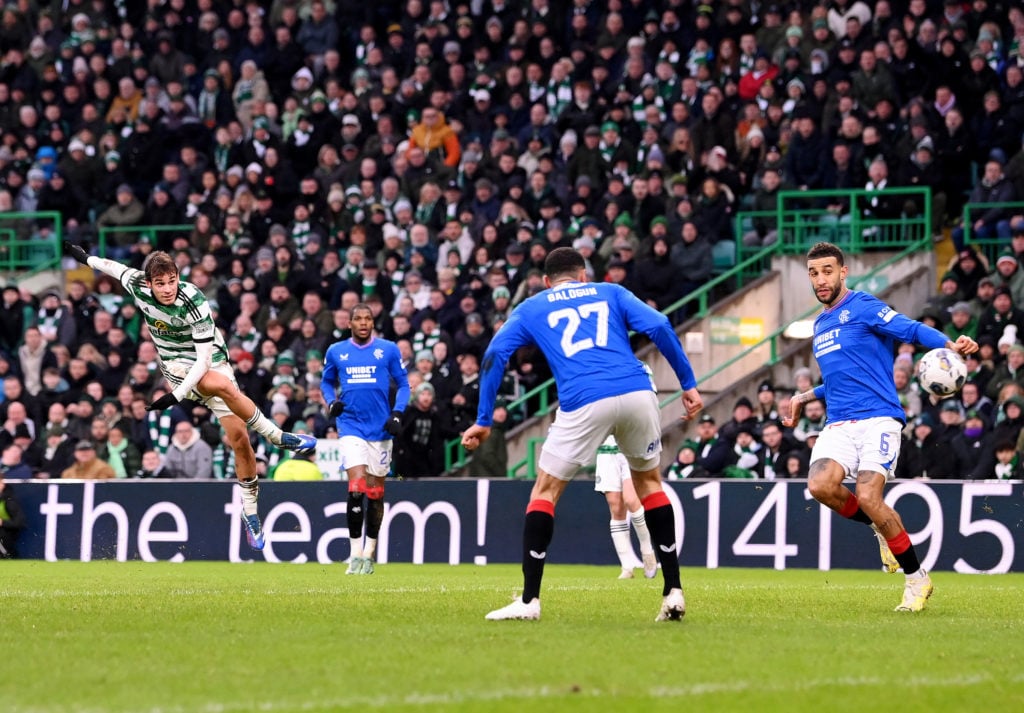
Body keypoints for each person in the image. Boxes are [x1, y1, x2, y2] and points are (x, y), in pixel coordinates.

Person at [462, 247, 703, 622]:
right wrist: (687, 383)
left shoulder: (532, 306)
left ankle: (529, 601)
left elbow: (495, 354)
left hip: (584, 397)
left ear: (546, 281)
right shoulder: (611, 291)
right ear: (584, 275)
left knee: (544, 492)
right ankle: (673, 591)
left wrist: (484, 418)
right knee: (650, 484)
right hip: (637, 390)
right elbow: (659, 325)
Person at [64, 241, 317, 551]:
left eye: (171, 281)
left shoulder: (194, 299)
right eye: (160, 283)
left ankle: (251, 514)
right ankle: (279, 437)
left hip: (208, 360)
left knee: (240, 440)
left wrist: (177, 396)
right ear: (149, 283)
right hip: (176, 365)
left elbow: (204, 361)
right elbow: (112, 268)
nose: (168, 288)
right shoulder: (136, 285)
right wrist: (85, 257)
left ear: (178, 276)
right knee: (224, 389)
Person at [784, 242, 978, 612]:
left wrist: (949, 343)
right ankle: (879, 528)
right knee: (820, 486)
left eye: (827, 271)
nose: (820, 279)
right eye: (813, 273)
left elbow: (910, 329)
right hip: (839, 422)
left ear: (843, 272)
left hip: (878, 419)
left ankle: (917, 580)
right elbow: (840, 380)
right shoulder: (821, 324)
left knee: (870, 498)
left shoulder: (865, 306)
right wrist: (803, 396)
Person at [320, 302, 410, 575]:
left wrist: (397, 413)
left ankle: (370, 553)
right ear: (349, 323)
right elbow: (326, 382)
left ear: (373, 322)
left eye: (367, 318)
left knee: (375, 492)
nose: (362, 323)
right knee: (356, 487)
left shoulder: (389, 350)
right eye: (357, 319)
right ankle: (354, 554)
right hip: (351, 426)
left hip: (380, 430)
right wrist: (330, 402)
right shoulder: (337, 352)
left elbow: (404, 384)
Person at [594, 435, 658, 580]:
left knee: (630, 499)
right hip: (606, 449)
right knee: (616, 507)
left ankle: (647, 551)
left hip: (630, 446)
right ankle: (627, 567)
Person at [0, 471, 26, 557]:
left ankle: (7, 556)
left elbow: (20, 522)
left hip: (6, 534)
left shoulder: (9, 501)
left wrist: (2, 522)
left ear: (2, 484)